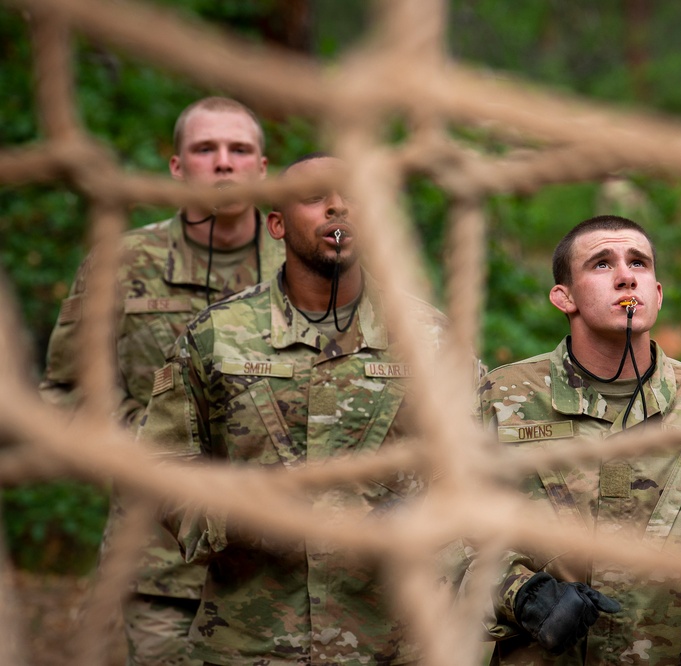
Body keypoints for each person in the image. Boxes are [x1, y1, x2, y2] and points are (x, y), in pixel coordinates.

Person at [136, 153, 453, 665]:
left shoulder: (430, 338)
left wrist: (422, 516)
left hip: (390, 642)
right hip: (252, 642)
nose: (338, 208)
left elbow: (474, 468)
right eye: (316, 198)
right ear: (277, 224)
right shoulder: (218, 334)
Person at [39, 96, 281, 666]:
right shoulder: (123, 263)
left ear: (262, 168)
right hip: (157, 564)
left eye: (239, 150)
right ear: (178, 167)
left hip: (282, 568)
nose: (223, 163)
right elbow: (66, 393)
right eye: (206, 149)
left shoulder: (303, 270)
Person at [474, 215, 681, 665]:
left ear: (656, 293)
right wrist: (522, 595)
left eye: (639, 262)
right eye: (601, 264)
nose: (625, 275)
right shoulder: (503, 399)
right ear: (565, 297)